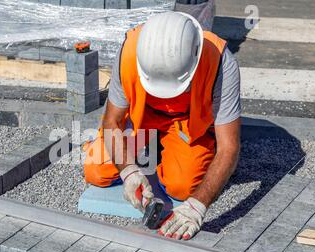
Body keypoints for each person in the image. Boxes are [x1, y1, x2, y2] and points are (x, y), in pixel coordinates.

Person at [84, 11, 241, 240]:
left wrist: (197, 206)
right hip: (142, 118)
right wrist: (129, 172)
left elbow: (230, 147)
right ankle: (149, 149)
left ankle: (177, 152)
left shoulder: (220, 62)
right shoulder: (130, 51)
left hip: (186, 125)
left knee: (183, 187)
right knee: (96, 170)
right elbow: (113, 120)